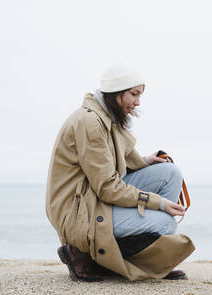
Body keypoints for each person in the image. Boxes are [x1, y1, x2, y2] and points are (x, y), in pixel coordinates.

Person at [46, 59, 195, 282]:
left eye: (139, 96)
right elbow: (108, 188)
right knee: (166, 222)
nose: (137, 103)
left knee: (170, 173)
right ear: (116, 93)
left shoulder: (106, 115)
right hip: (80, 211)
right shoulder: (90, 122)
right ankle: (86, 255)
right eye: (133, 95)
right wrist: (159, 203)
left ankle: (147, 257)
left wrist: (146, 161)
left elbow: (115, 159)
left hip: (94, 196)